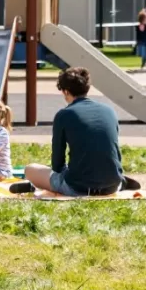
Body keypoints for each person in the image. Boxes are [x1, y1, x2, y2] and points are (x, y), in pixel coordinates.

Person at [23, 68, 123, 196]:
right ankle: (120, 180)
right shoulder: (109, 111)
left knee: (30, 169)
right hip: (112, 184)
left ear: (65, 91)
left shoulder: (64, 114)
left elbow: (57, 163)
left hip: (78, 187)